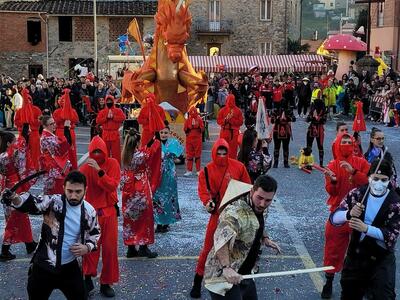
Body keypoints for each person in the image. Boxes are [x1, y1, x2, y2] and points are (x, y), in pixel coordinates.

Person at [1, 171, 100, 300]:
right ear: (63, 187)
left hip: (71, 267)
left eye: (78, 192)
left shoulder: (89, 211)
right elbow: (33, 203)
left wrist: (87, 247)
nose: (73, 196)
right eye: (69, 191)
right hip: (43, 266)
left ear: (85, 190)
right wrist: (15, 198)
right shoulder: (53, 201)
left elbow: (95, 234)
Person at [190, 139, 251, 298]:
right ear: (214, 153)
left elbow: (247, 188)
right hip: (217, 216)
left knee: (238, 249)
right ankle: (198, 280)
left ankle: (237, 278)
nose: (222, 156)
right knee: (208, 249)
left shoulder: (239, 167)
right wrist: (207, 203)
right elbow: (203, 191)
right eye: (219, 153)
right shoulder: (207, 170)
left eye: (225, 153)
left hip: (236, 216)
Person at [331, 159, 400, 300]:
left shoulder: (395, 202)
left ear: (389, 180)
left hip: (381, 258)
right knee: (349, 293)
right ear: (369, 177)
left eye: (383, 180)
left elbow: (392, 235)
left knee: (384, 296)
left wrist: (366, 228)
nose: (379, 183)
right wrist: (348, 214)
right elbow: (334, 219)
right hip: (356, 255)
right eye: (375, 178)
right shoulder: (357, 194)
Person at [204, 175, 281, 299]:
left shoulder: (261, 207)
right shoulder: (234, 213)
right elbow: (220, 240)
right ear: (252, 191)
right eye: (259, 198)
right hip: (225, 277)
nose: (262, 204)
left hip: (245, 274)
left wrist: (265, 238)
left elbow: (258, 222)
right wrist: (226, 268)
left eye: (268, 200)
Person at [321, 133, 370, 299]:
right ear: (337, 144)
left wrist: (354, 171)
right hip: (339, 212)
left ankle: (359, 283)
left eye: (350, 142)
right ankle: (328, 280)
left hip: (360, 212)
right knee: (333, 248)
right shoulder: (332, 165)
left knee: (361, 249)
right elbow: (331, 191)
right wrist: (333, 180)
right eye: (344, 142)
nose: (348, 144)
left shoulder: (362, 162)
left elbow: (369, 183)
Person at [80, 136, 120, 297]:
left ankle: (106, 282)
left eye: (99, 151)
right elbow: (76, 187)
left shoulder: (113, 163)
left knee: (110, 250)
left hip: (109, 212)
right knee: (90, 248)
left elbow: (112, 185)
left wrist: (99, 171)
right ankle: (88, 278)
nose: (97, 154)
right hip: (91, 213)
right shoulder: (85, 168)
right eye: (94, 151)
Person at [121, 129, 161, 258]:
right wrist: (155, 140)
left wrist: (149, 143)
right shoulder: (141, 156)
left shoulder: (125, 155)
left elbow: (146, 148)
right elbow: (151, 152)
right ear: (137, 143)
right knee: (145, 217)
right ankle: (144, 246)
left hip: (127, 186)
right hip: (140, 187)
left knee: (129, 218)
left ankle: (131, 247)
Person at [0, 131, 36, 261]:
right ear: (9, 143)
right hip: (14, 186)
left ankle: (29, 243)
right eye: (13, 141)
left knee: (21, 216)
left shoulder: (3, 155)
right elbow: (21, 156)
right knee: (14, 218)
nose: (16, 143)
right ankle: (4, 249)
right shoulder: (9, 155)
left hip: (6, 185)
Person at [153, 122, 184, 233]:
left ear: (169, 133)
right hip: (157, 173)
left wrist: (172, 157)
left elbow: (180, 157)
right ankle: (159, 222)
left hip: (169, 173)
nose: (163, 134)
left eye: (166, 132)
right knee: (157, 197)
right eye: (161, 132)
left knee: (169, 197)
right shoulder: (155, 143)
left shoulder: (173, 143)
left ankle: (167, 222)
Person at [39, 115, 72, 195]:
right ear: (44, 126)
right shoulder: (46, 138)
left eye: (54, 123)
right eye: (51, 124)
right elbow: (62, 148)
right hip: (52, 167)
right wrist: (66, 129)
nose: (54, 125)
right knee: (55, 193)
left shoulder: (49, 135)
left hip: (54, 165)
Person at [14, 88, 42, 170]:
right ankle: (23, 168)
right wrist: (24, 123)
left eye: (29, 100)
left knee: (35, 152)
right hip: (22, 133)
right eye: (26, 100)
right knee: (22, 152)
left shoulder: (36, 109)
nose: (28, 102)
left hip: (34, 133)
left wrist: (31, 121)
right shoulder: (19, 111)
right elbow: (16, 122)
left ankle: (35, 167)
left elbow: (40, 120)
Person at [53, 89, 79, 170]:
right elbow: (56, 121)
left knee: (71, 152)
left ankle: (72, 169)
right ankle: (61, 168)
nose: (63, 102)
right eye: (62, 100)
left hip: (70, 132)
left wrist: (69, 113)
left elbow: (76, 120)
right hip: (60, 132)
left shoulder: (73, 111)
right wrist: (64, 115)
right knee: (61, 152)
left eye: (65, 100)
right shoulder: (56, 111)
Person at [96, 95, 126, 164]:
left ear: (113, 101)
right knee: (105, 153)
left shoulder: (118, 110)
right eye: (108, 101)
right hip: (105, 134)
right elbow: (98, 121)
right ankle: (106, 166)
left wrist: (113, 117)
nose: (109, 102)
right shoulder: (103, 111)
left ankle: (117, 167)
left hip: (114, 134)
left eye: (110, 101)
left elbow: (123, 118)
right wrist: (106, 118)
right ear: (106, 102)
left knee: (116, 153)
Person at [217, 94, 244, 159]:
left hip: (232, 133)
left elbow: (240, 122)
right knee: (227, 150)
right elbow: (219, 121)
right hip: (227, 132)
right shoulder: (224, 110)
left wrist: (230, 120)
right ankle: (226, 163)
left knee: (230, 151)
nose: (230, 102)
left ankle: (228, 164)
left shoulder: (237, 111)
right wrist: (226, 119)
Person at [271, 98, 296, 168]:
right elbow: (272, 121)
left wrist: (287, 118)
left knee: (285, 147)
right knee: (277, 147)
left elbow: (294, 119)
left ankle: (286, 162)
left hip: (286, 131)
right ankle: (276, 162)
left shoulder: (289, 111)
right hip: (277, 130)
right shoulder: (276, 110)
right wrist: (278, 118)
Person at [306, 96, 327, 167]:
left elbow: (324, 120)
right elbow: (307, 119)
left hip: (319, 129)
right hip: (312, 128)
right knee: (309, 145)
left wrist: (317, 117)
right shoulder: (312, 110)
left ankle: (321, 163)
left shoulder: (323, 110)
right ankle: (308, 162)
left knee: (320, 146)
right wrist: (312, 116)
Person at [184, 107, 204, 176]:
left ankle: (198, 170)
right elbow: (185, 129)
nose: (193, 113)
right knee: (189, 155)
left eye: (194, 112)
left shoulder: (199, 119)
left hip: (197, 140)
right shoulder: (187, 120)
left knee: (197, 155)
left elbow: (202, 129)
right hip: (189, 140)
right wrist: (189, 127)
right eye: (191, 112)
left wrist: (198, 126)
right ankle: (189, 170)